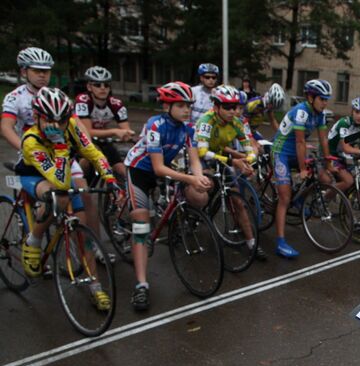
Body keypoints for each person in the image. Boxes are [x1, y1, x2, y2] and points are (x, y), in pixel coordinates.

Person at [15, 87, 117, 310]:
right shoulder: (31, 140)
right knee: (59, 196)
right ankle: (33, 241)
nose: (58, 126)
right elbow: (60, 182)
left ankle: (95, 287)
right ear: (37, 117)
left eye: (62, 120)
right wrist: (61, 145)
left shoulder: (70, 126)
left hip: (60, 171)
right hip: (35, 176)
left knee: (83, 231)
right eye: (50, 120)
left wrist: (109, 178)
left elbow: (93, 152)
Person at [123, 82, 212, 310]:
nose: (186, 110)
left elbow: (194, 161)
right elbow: (158, 168)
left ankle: (162, 225)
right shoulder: (155, 125)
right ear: (167, 105)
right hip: (140, 170)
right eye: (181, 105)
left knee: (199, 197)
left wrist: (199, 177)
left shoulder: (188, 128)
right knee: (142, 222)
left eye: (189, 106)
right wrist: (190, 178)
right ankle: (141, 286)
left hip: (164, 168)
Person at [195, 85, 265, 261]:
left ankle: (251, 243)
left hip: (220, 156)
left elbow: (249, 148)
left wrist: (249, 161)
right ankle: (193, 213)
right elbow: (202, 153)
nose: (232, 111)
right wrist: (234, 161)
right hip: (200, 156)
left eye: (235, 107)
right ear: (216, 107)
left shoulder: (237, 122)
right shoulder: (206, 121)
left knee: (238, 201)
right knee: (204, 189)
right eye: (227, 107)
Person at [270, 79, 335, 259]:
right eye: (322, 99)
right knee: (284, 196)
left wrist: (329, 162)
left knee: (319, 175)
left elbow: (323, 140)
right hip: (281, 152)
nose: (325, 103)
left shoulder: (320, 114)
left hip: (297, 151)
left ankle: (298, 200)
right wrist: (302, 169)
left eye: (326, 99)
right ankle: (281, 242)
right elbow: (300, 142)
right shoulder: (301, 112)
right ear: (311, 97)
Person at [75, 66, 135, 178]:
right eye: (98, 85)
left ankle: (120, 192)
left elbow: (125, 131)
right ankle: (78, 183)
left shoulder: (116, 104)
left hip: (103, 141)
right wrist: (115, 131)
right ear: (89, 87)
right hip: (83, 140)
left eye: (106, 85)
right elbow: (87, 132)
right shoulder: (82, 101)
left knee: (122, 170)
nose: (103, 88)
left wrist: (127, 134)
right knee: (87, 162)